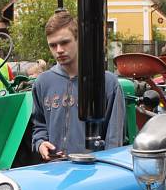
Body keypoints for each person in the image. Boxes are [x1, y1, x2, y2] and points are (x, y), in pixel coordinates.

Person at [31, 11, 125, 160]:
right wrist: (41, 143)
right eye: (53, 45)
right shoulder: (42, 83)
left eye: (65, 42)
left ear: (79, 40)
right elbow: (39, 126)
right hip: (55, 171)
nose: (59, 50)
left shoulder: (107, 83)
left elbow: (114, 139)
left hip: (93, 173)